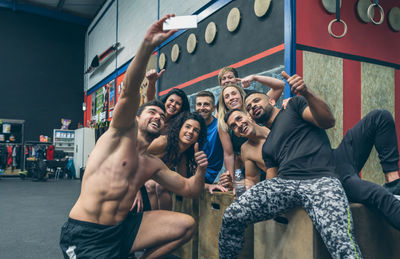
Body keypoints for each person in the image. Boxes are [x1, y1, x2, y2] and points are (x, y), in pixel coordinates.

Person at [59, 15, 209, 259]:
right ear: (137, 118)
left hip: (123, 229)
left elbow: (189, 188)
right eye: (152, 111)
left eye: (162, 116)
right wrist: (147, 44)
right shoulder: (118, 135)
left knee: (186, 225)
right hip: (87, 234)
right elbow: (129, 91)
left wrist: (201, 170)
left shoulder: (152, 163)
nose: (159, 116)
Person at [218, 71, 362, 258]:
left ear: (271, 101)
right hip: (286, 184)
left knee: (339, 240)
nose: (252, 106)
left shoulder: (293, 106)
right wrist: (245, 194)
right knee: (231, 215)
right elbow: (267, 180)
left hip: (320, 180)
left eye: (256, 101)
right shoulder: (266, 147)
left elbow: (328, 121)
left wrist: (306, 92)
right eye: (249, 106)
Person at [227, 107, 400, 230]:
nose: (238, 125)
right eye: (233, 126)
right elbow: (256, 180)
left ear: (249, 116)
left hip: (337, 157)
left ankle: (393, 182)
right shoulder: (250, 150)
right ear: (236, 134)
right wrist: (241, 186)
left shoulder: (288, 116)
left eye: (239, 119)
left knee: (379, 116)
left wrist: (298, 100)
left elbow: (320, 115)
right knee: (379, 195)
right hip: (325, 178)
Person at [144, 112, 225, 210]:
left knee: (161, 186)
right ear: (179, 128)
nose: (190, 132)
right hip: (134, 182)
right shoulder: (163, 142)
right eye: (187, 127)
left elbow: (184, 182)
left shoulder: (182, 156)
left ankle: (163, 221)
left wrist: (209, 186)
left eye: (196, 130)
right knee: (152, 184)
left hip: (149, 188)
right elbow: (133, 157)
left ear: (198, 137)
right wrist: (135, 191)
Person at [195, 91, 227, 190]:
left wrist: (230, 176)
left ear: (213, 108)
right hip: (187, 170)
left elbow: (229, 153)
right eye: (199, 104)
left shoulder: (220, 127)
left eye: (206, 104)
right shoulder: (193, 126)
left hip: (205, 176)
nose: (202, 108)